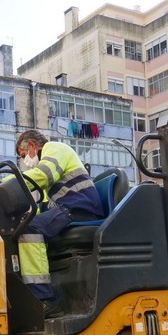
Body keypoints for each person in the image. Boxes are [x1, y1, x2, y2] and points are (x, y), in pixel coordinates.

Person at [14, 130, 103, 317]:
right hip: (68, 209)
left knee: (30, 230)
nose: (25, 161)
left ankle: (45, 300)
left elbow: (44, 175)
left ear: (32, 145)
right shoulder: (48, 178)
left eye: (23, 156)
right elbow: (41, 206)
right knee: (26, 224)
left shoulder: (54, 148)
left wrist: (6, 183)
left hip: (80, 208)